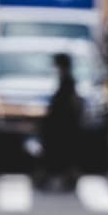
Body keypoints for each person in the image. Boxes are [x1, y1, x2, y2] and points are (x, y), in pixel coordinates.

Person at [34, 52, 82, 190]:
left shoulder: (68, 82)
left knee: (58, 151)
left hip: (63, 125)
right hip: (61, 124)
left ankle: (59, 175)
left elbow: (67, 105)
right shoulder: (65, 80)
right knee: (58, 151)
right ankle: (59, 175)